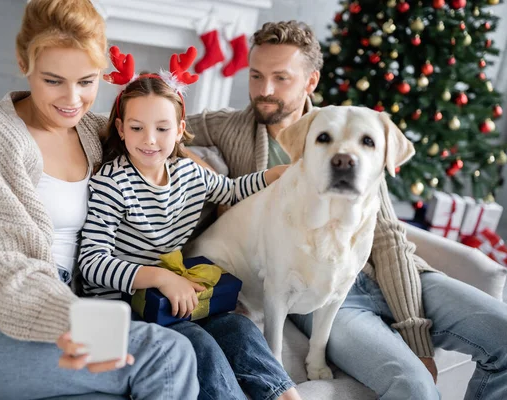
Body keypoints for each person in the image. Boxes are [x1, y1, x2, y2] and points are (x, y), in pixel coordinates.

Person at [185, 20, 507, 400]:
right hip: (313, 286)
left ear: (310, 81)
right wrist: (193, 164)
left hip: (384, 270)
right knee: (414, 387)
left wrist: (414, 331)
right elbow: (151, 128)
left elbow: (389, 239)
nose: (264, 90)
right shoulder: (229, 126)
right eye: (256, 76)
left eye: (281, 78)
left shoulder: (355, 131)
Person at [0, 1, 199, 399]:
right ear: (24, 62)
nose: (72, 98)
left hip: (61, 310)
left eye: (86, 81)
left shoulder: (93, 130)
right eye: (54, 81)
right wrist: (74, 321)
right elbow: (1, 260)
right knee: (166, 355)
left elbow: (168, 139)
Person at [77, 67, 301, 400]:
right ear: (121, 130)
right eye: (137, 128)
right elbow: (91, 262)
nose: (150, 139)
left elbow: (230, 190)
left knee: (238, 327)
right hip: (124, 302)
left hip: (170, 297)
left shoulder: (188, 173)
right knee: (197, 344)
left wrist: (273, 176)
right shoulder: (112, 184)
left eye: (162, 128)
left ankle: (283, 395)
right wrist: (159, 278)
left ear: (180, 130)